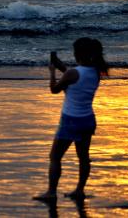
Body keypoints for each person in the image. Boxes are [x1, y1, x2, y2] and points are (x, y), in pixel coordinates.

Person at [33, 37, 108, 201]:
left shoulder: (72, 73)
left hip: (70, 120)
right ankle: (79, 190)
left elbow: (54, 89)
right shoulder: (96, 71)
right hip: (87, 119)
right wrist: (61, 67)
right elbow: (74, 79)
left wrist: (52, 71)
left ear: (78, 54)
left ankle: (51, 192)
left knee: (55, 157)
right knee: (83, 157)